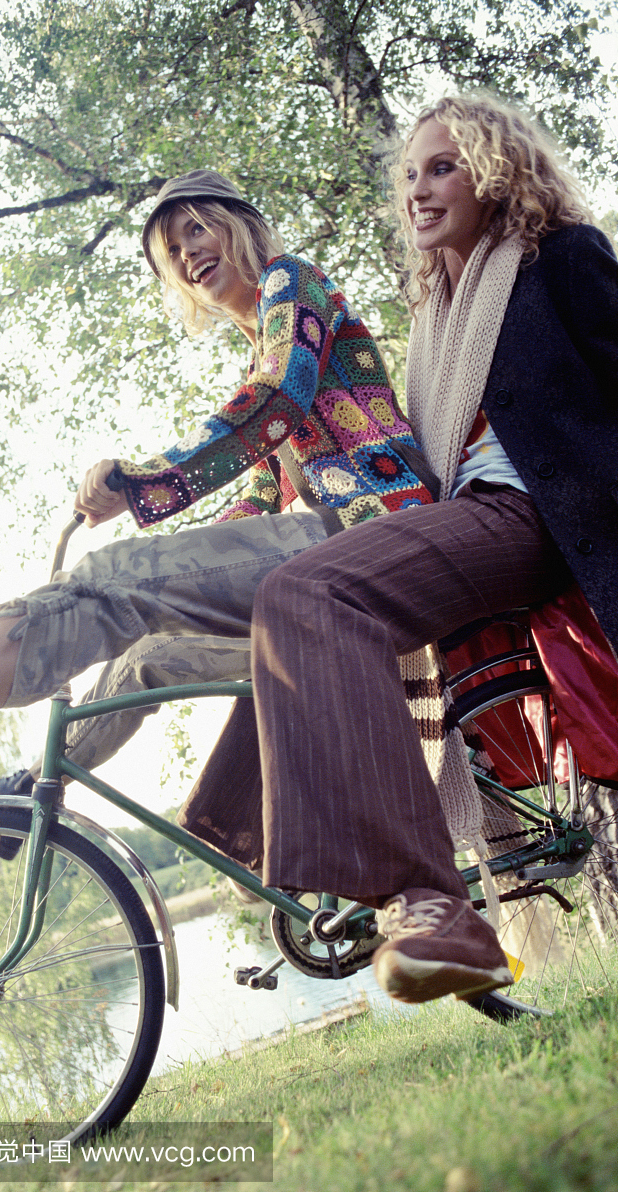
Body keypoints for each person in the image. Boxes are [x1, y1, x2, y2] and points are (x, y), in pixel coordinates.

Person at [0, 170, 434, 853]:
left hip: (376, 532)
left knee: (115, 575)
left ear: (240, 225)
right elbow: (256, 506)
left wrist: (144, 483)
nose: (187, 252)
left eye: (196, 228)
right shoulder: (258, 347)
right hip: (324, 567)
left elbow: (277, 398)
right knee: (147, 653)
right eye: (171, 249)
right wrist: (169, 553)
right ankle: (25, 794)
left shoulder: (294, 282)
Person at [238, 93, 618, 1005]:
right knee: (278, 609)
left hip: (537, 517)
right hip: (471, 513)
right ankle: (244, 844)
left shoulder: (556, 258)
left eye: (442, 167)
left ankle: (427, 907)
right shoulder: (437, 315)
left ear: (496, 172)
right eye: (408, 173)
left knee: (307, 597)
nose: (417, 189)